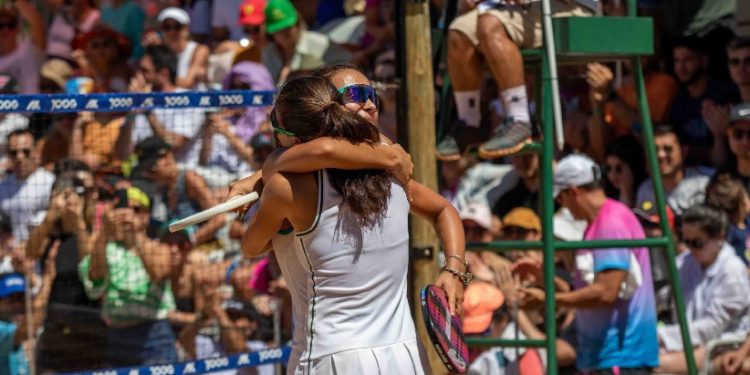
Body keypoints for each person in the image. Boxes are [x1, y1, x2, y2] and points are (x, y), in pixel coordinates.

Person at [241, 75, 464, 373]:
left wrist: (268, 182)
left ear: (292, 139)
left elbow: (251, 246)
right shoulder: (392, 167)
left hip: (332, 357)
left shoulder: (285, 188)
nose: (367, 104)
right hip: (405, 354)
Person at [525, 153, 659, 373]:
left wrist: (550, 299)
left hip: (620, 358)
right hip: (609, 357)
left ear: (574, 192)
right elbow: (591, 290)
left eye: (560, 199)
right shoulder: (600, 223)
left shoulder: (610, 223)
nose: (562, 206)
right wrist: (546, 281)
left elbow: (606, 292)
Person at [436, 0, 593, 160]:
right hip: (514, 8)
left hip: (570, 7)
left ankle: (518, 120)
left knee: (490, 25)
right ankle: (470, 122)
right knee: (459, 32)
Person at [78, 186, 177, 367]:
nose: (128, 214)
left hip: (154, 335)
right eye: (123, 209)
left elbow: (159, 274)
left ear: (146, 216)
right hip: (117, 336)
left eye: (136, 210)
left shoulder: (158, 247)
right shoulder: (107, 248)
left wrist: (135, 233)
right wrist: (104, 231)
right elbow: (95, 277)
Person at [655, 204, 750, 374]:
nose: (690, 248)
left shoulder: (732, 271)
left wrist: (663, 336)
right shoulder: (685, 262)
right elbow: (661, 297)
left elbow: (712, 327)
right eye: (687, 241)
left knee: (660, 365)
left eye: (697, 243)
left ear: (719, 236)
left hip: (722, 343)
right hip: (687, 339)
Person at [668, 37, 733, 167]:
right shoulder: (678, 102)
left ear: (703, 61)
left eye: (688, 60)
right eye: (677, 61)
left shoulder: (723, 95)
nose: (681, 67)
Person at [261, 0, 352, 83]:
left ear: (297, 23)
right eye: (278, 31)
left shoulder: (319, 43)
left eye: (287, 28)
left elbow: (349, 63)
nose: (284, 34)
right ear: (270, 33)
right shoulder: (269, 52)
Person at [635, 124, 711, 217]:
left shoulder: (704, 183)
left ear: (684, 151)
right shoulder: (645, 190)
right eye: (654, 150)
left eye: (667, 149)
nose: (661, 155)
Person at [0, 129, 55, 243]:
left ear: (35, 151)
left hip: (42, 253)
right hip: (11, 256)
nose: (20, 157)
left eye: (26, 151)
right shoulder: (3, 186)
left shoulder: (49, 182)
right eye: (14, 153)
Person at [146, 7, 210, 90]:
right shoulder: (159, 50)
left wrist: (160, 77)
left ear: (186, 29)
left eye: (177, 27)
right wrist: (154, 50)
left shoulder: (199, 50)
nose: (172, 32)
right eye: (167, 27)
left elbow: (188, 83)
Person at [0, 2, 45, 94]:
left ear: (18, 28)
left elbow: (36, 23)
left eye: (11, 25)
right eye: (0, 26)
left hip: (29, 107)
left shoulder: (29, 50)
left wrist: (17, 1)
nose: (6, 30)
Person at [603, 136, 647, 208]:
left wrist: (626, 193)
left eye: (619, 169)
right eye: (608, 168)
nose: (612, 175)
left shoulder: (646, 190)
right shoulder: (606, 195)